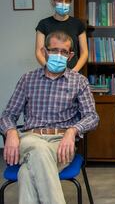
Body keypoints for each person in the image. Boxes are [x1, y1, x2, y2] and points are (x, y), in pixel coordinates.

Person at [0, 31, 99, 204]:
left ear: (70, 56)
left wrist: (72, 130)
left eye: (64, 52)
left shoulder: (79, 81)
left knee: (26, 172)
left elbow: (92, 117)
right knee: (38, 148)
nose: (59, 55)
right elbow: (8, 114)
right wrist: (10, 132)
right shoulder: (27, 80)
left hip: (61, 143)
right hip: (29, 138)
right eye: (54, 50)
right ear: (44, 51)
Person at [35, 0, 88, 72]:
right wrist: (48, 68)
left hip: (73, 71)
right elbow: (39, 52)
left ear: (70, 3)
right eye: (60, 0)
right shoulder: (43, 24)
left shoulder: (78, 24)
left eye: (67, 1)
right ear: (53, 1)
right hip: (50, 72)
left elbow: (84, 52)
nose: (63, 4)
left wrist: (74, 71)